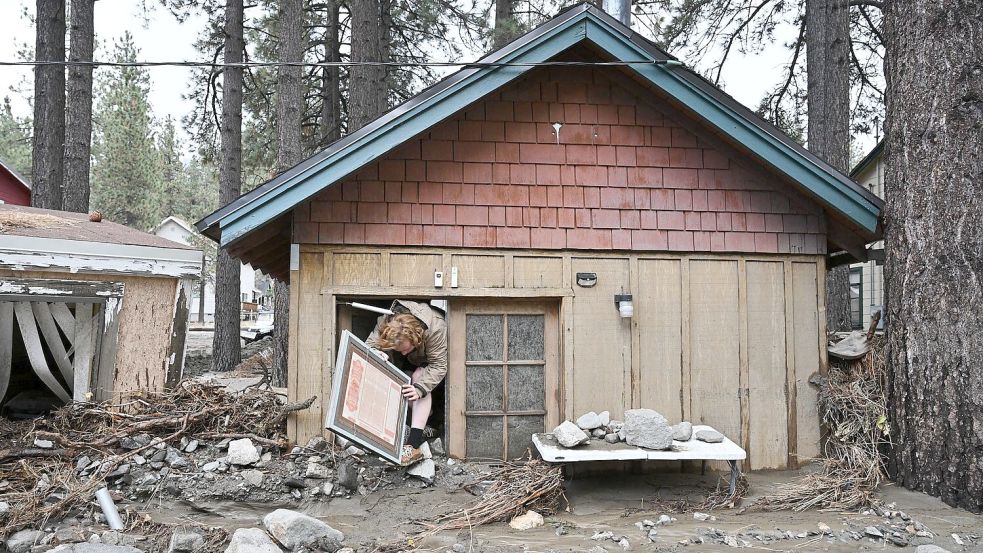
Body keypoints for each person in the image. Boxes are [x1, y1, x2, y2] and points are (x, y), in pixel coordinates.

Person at [365, 299, 447, 465]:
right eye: (398, 350)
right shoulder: (386, 322)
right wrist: (376, 352)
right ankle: (421, 421)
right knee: (405, 380)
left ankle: (414, 445)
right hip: (411, 361)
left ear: (414, 335)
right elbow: (369, 345)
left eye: (403, 348)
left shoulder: (436, 327)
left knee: (418, 379)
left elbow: (439, 365)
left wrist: (419, 389)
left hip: (430, 360)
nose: (401, 353)